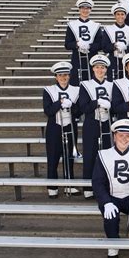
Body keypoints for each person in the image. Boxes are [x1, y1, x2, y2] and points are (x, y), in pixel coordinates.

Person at [92, 119, 129, 258]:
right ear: (114, 136)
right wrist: (105, 202)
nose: (124, 138)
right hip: (111, 196)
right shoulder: (104, 155)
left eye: (128, 136)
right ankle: (113, 243)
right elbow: (97, 182)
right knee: (111, 216)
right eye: (121, 135)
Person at [43, 61, 81, 198]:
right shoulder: (49, 90)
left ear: (69, 76)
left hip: (70, 126)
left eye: (65, 75)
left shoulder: (76, 90)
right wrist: (59, 103)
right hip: (54, 127)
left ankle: (69, 184)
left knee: (69, 157)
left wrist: (72, 106)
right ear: (56, 77)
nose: (63, 78)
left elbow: (79, 112)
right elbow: (47, 111)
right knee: (53, 157)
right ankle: (52, 187)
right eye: (60, 75)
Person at [79, 55, 113, 199]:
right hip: (91, 123)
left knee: (106, 155)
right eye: (97, 67)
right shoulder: (86, 85)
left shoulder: (111, 85)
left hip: (106, 123)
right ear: (93, 68)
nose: (100, 70)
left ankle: (104, 186)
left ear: (106, 69)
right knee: (90, 155)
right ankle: (88, 187)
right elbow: (83, 107)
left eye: (103, 67)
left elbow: (116, 106)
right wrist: (96, 102)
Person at [65, 0, 102, 85]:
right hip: (77, 59)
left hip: (92, 57)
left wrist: (89, 46)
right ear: (79, 9)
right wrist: (77, 44)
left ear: (90, 9)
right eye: (82, 8)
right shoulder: (72, 25)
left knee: (92, 83)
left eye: (87, 8)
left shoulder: (96, 25)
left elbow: (100, 45)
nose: (85, 10)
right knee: (76, 83)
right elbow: (67, 44)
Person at [102, 3, 129, 81]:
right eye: (118, 14)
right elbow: (104, 48)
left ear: (125, 16)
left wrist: (126, 47)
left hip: (128, 61)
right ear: (115, 16)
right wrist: (114, 45)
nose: (120, 16)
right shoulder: (108, 29)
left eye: (122, 14)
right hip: (113, 60)